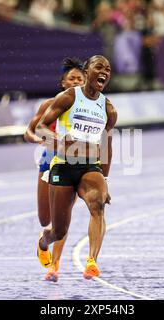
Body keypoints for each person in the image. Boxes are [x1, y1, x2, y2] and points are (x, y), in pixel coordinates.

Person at [35, 55, 117, 279]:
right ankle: (44, 241)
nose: (104, 72)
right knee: (58, 230)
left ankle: (91, 261)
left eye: (108, 69)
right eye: (98, 67)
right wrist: (58, 141)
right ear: (87, 71)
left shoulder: (108, 108)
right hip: (63, 165)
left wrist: (106, 180)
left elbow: (107, 146)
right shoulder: (69, 97)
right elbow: (40, 128)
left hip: (90, 167)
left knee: (98, 204)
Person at [24, 57, 85, 282]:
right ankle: (43, 240)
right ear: (63, 83)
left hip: (74, 163)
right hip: (48, 160)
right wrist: (41, 139)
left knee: (62, 216)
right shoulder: (48, 105)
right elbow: (27, 132)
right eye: (72, 78)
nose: (77, 82)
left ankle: (55, 266)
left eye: (80, 78)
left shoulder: (90, 107)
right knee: (44, 218)